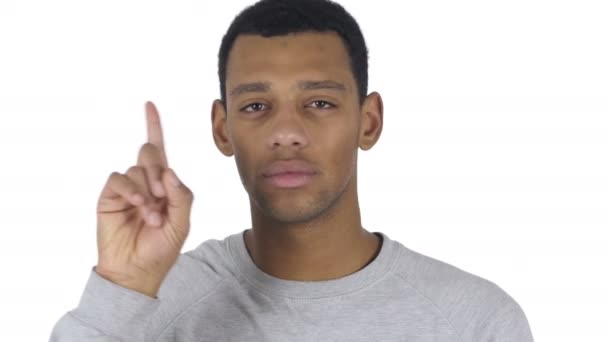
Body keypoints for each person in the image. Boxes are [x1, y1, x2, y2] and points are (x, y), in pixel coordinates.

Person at [49, 0, 534, 341]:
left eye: (319, 102)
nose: (286, 131)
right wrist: (124, 282)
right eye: (257, 105)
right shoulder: (153, 306)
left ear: (369, 121)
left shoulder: (473, 321)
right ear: (222, 129)